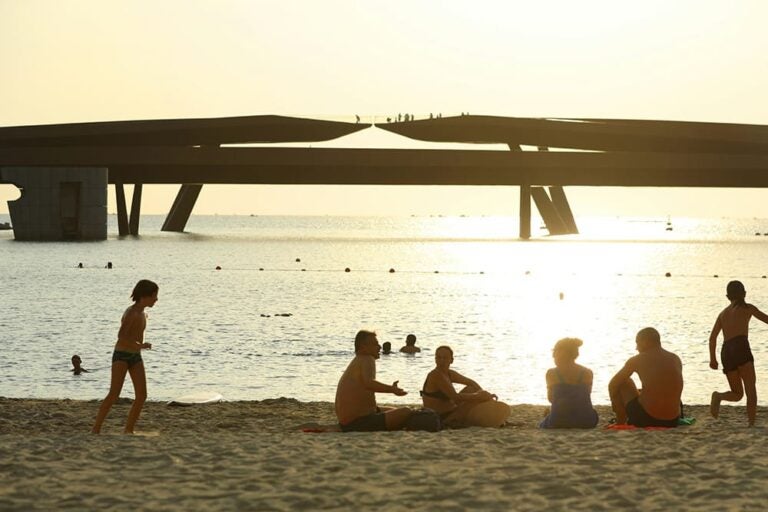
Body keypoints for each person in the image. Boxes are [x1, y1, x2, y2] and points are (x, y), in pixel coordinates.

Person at [92, 279, 159, 434]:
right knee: (114, 394)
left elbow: (135, 336)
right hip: (121, 355)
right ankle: (96, 429)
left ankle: (128, 430)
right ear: (144, 296)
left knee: (142, 395)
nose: (156, 299)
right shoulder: (132, 313)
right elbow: (121, 336)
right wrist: (140, 346)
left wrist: (139, 347)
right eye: (154, 296)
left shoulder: (143, 314)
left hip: (135, 357)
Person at [709, 280, 768, 426]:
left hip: (726, 351)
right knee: (750, 388)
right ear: (744, 294)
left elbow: (712, 338)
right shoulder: (747, 308)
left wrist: (713, 359)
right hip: (740, 346)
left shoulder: (722, 314)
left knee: (737, 394)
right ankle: (751, 423)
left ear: (727, 296)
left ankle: (718, 396)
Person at [335, 330, 413, 432]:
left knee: (394, 410)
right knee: (406, 412)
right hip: (356, 422)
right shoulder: (368, 358)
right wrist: (392, 389)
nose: (380, 347)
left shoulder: (359, 359)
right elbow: (369, 383)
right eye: (375, 344)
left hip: (348, 420)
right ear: (363, 346)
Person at [608, 327, 683, 428]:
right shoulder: (675, 358)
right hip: (673, 421)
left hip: (646, 418)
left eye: (637, 343)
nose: (636, 348)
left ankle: (620, 420)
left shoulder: (637, 359)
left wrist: (615, 405)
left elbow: (613, 384)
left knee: (624, 382)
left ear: (645, 342)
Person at [421, 345, 510, 427]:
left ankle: (490, 409)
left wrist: (483, 394)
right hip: (442, 418)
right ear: (435, 359)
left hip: (452, 410)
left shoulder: (449, 373)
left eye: (445, 358)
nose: (441, 361)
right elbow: (455, 397)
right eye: (438, 357)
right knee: (474, 399)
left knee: (471, 389)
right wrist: (479, 396)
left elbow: (471, 382)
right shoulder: (435, 375)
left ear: (451, 360)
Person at [540, 338, 598, 429]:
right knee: (593, 413)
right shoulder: (587, 372)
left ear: (562, 353)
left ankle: (548, 416)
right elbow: (586, 396)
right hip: (586, 421)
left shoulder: (551, 373)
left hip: (559, 421)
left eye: (555, 351)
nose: (553, 355)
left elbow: (551, 398)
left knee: (544, 422)